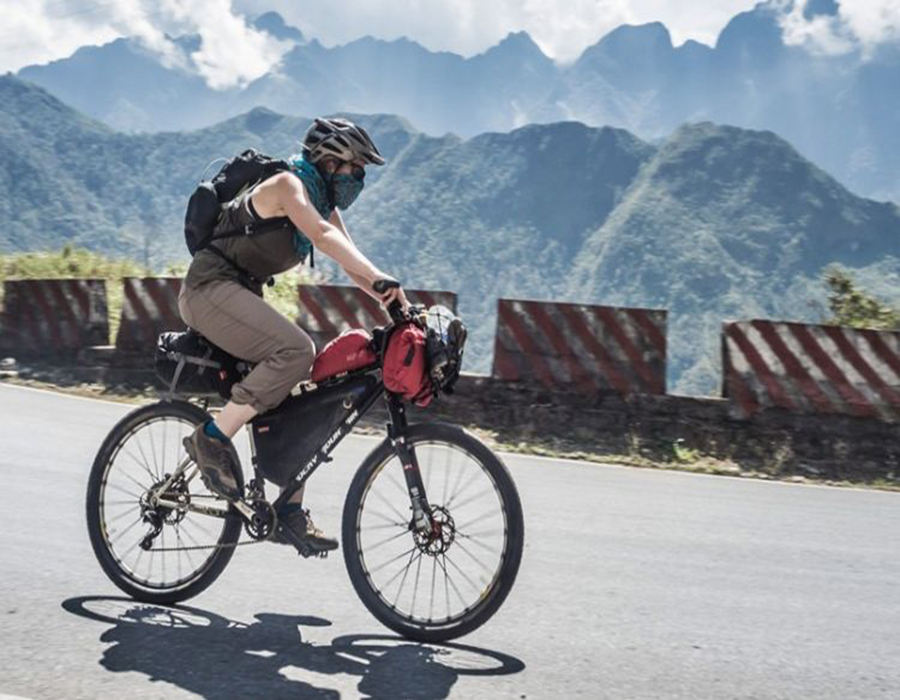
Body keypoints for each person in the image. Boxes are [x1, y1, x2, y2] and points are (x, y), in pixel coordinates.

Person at [178, 117, 409, 554]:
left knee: (304, 393)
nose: (358, 178)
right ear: (329, 161)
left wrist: (393, 299)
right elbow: (322, 238)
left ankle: (289, 511)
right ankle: (210, 438)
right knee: (297, 349)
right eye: (355, 168)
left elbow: (351, 261)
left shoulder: (322, 202)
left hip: (236, 297)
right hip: (208, 291)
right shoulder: (288, 186)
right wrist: (378, 279)